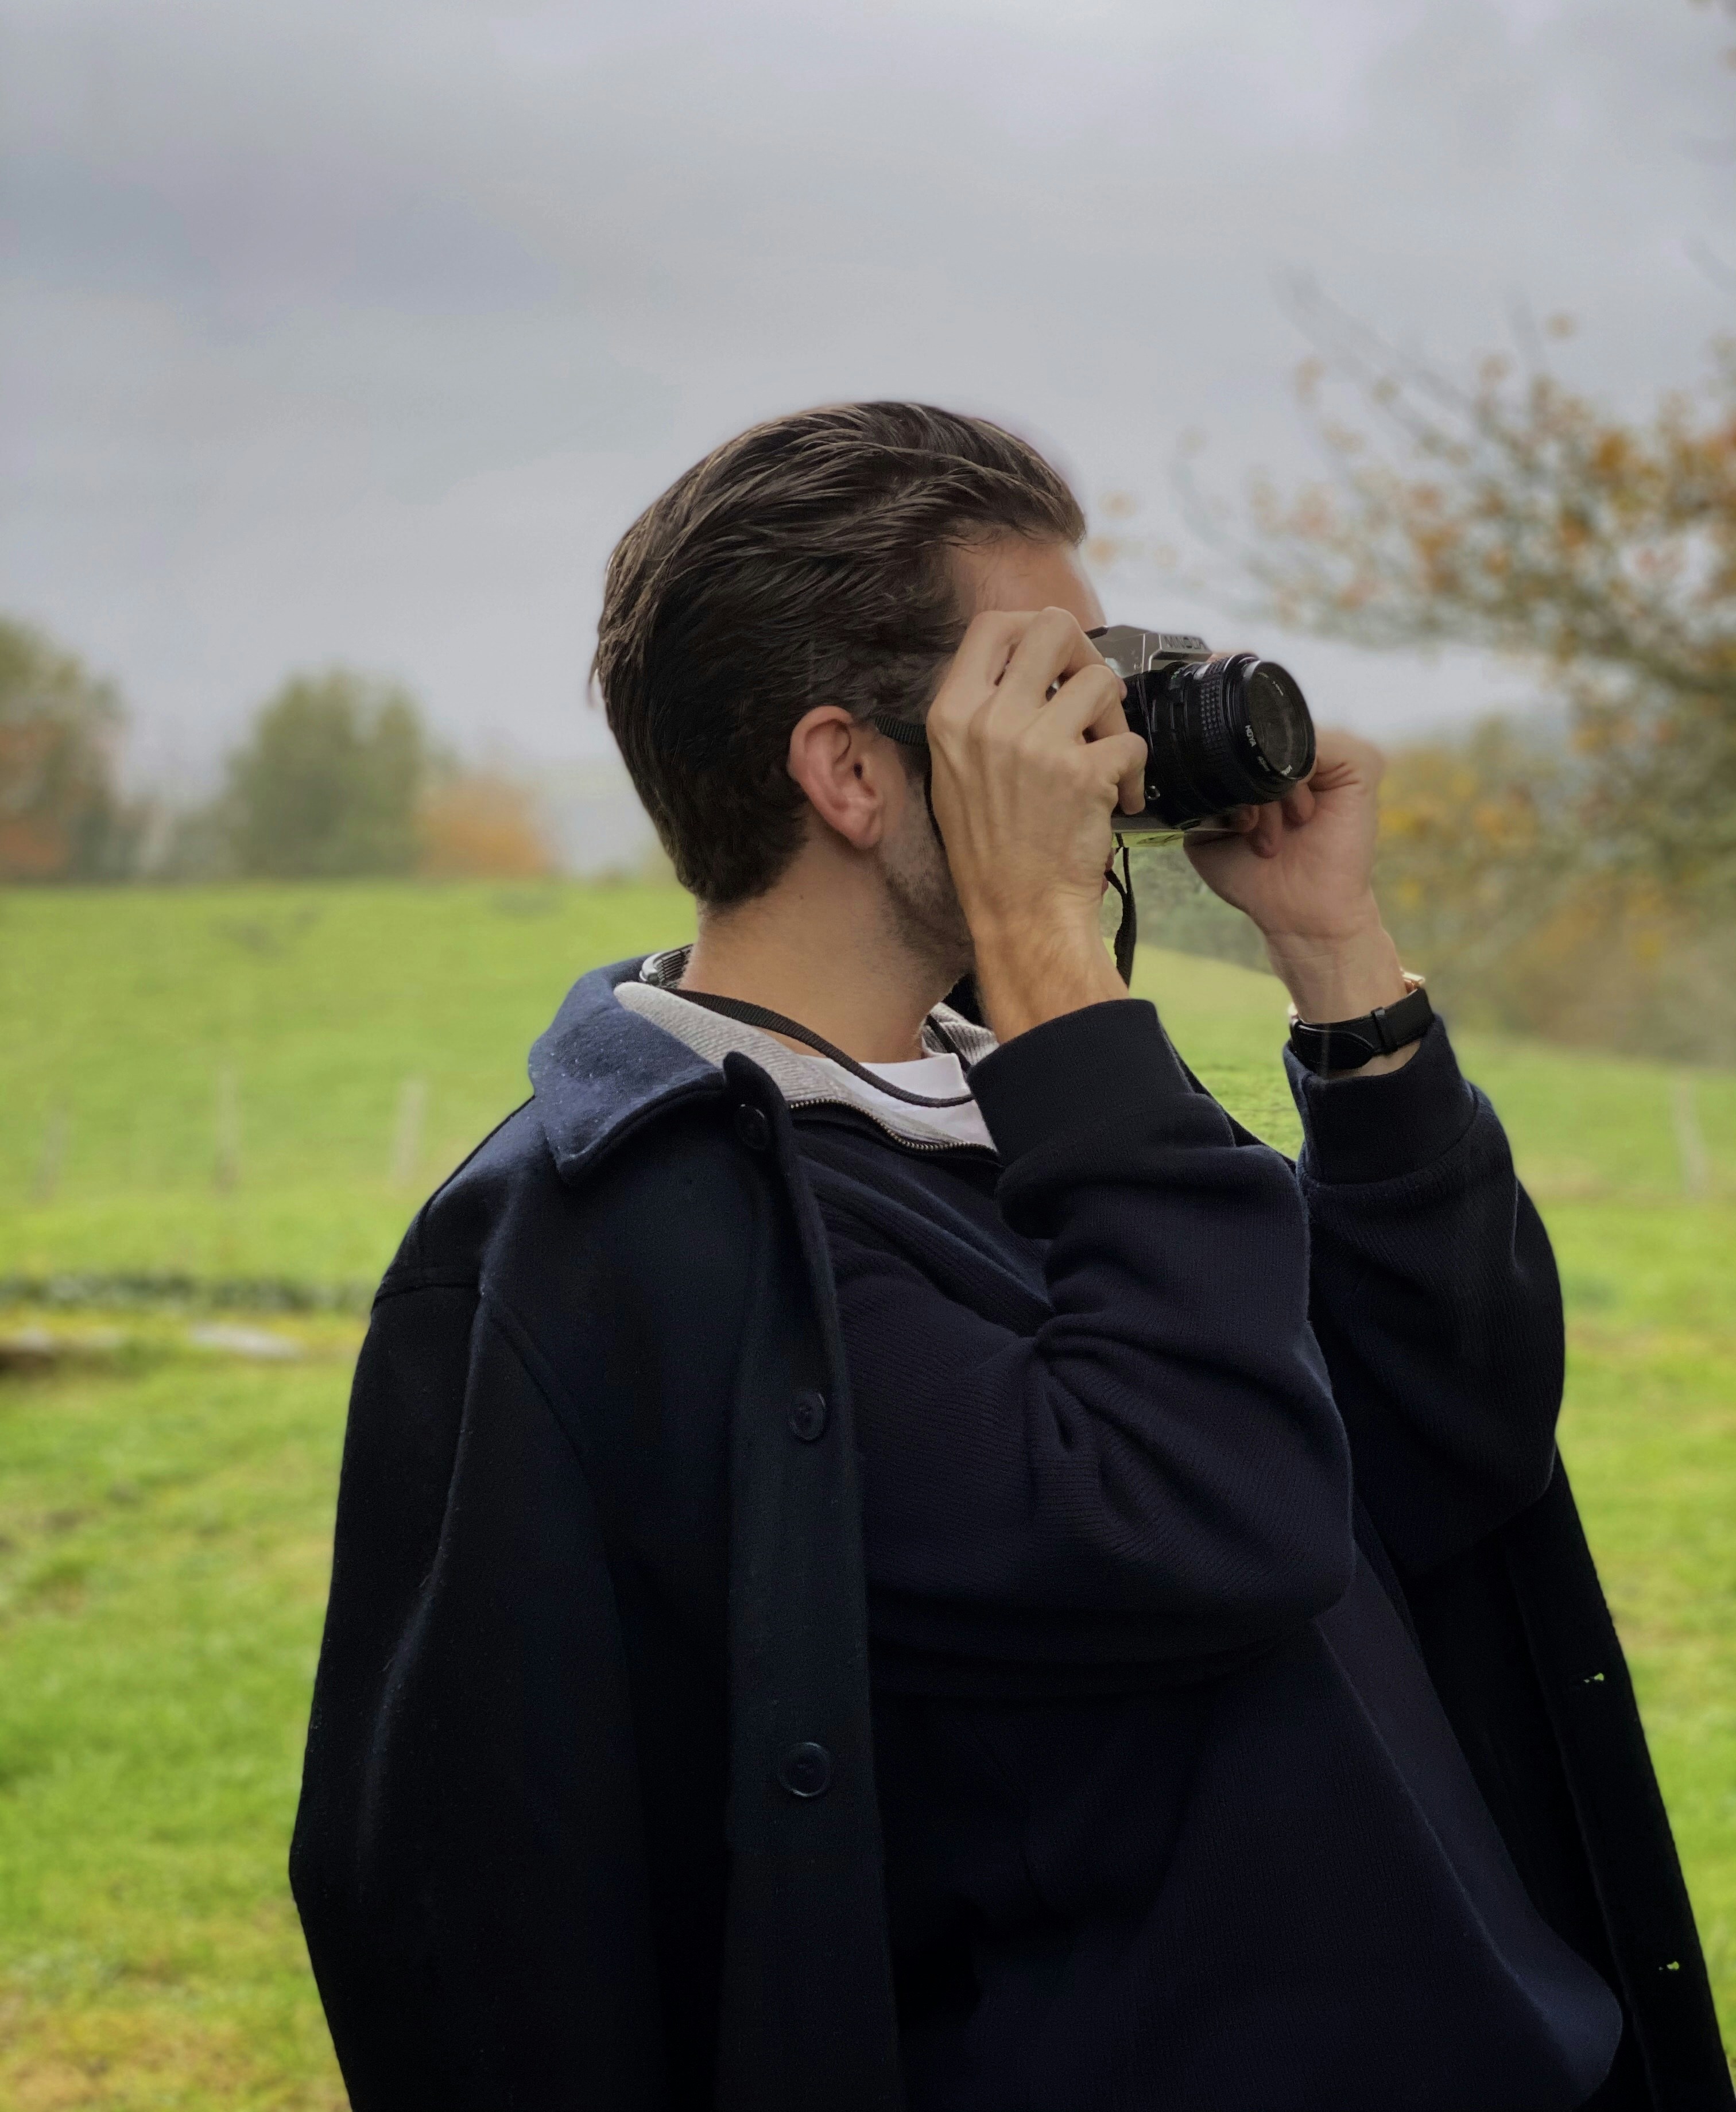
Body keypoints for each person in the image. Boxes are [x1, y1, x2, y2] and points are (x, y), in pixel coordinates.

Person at [291, 403, 1727, 2112]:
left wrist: (1336, 953)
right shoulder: (664, 1235)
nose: (1110, 752)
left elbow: (1443, 1440)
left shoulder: (1004, 1102)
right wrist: (1054, 953)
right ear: (851, 770)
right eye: (1044, 697)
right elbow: (1205, 1515)